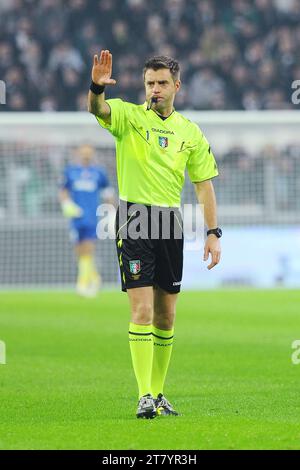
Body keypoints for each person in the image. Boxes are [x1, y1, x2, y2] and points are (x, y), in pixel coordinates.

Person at [87, 50, 222, 418]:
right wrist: (96, 86)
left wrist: (213, 232)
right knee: (142, 309)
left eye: (162, 83)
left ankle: (159, 393)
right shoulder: (129, 117)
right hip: (133, 218)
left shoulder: (189, 132)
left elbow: (203, 186)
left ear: (176, 86)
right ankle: (144, 394)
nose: (155, 89)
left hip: (169, 222)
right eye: (150, 83)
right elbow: (98, 109)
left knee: (166, 317)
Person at [59, 143, 114, 297]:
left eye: (89, 152)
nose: (86, 155)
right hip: (76, 216)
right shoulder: (71, 171)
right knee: (79, 249)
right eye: (83, 152)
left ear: (93, 153)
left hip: (91, 216)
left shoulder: (99, 172)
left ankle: (82, 283)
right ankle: (95, 278)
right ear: (78, 153)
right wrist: (66, 204)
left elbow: (108, 192)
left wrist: (110, 211)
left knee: (88, 247)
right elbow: (63, 190)